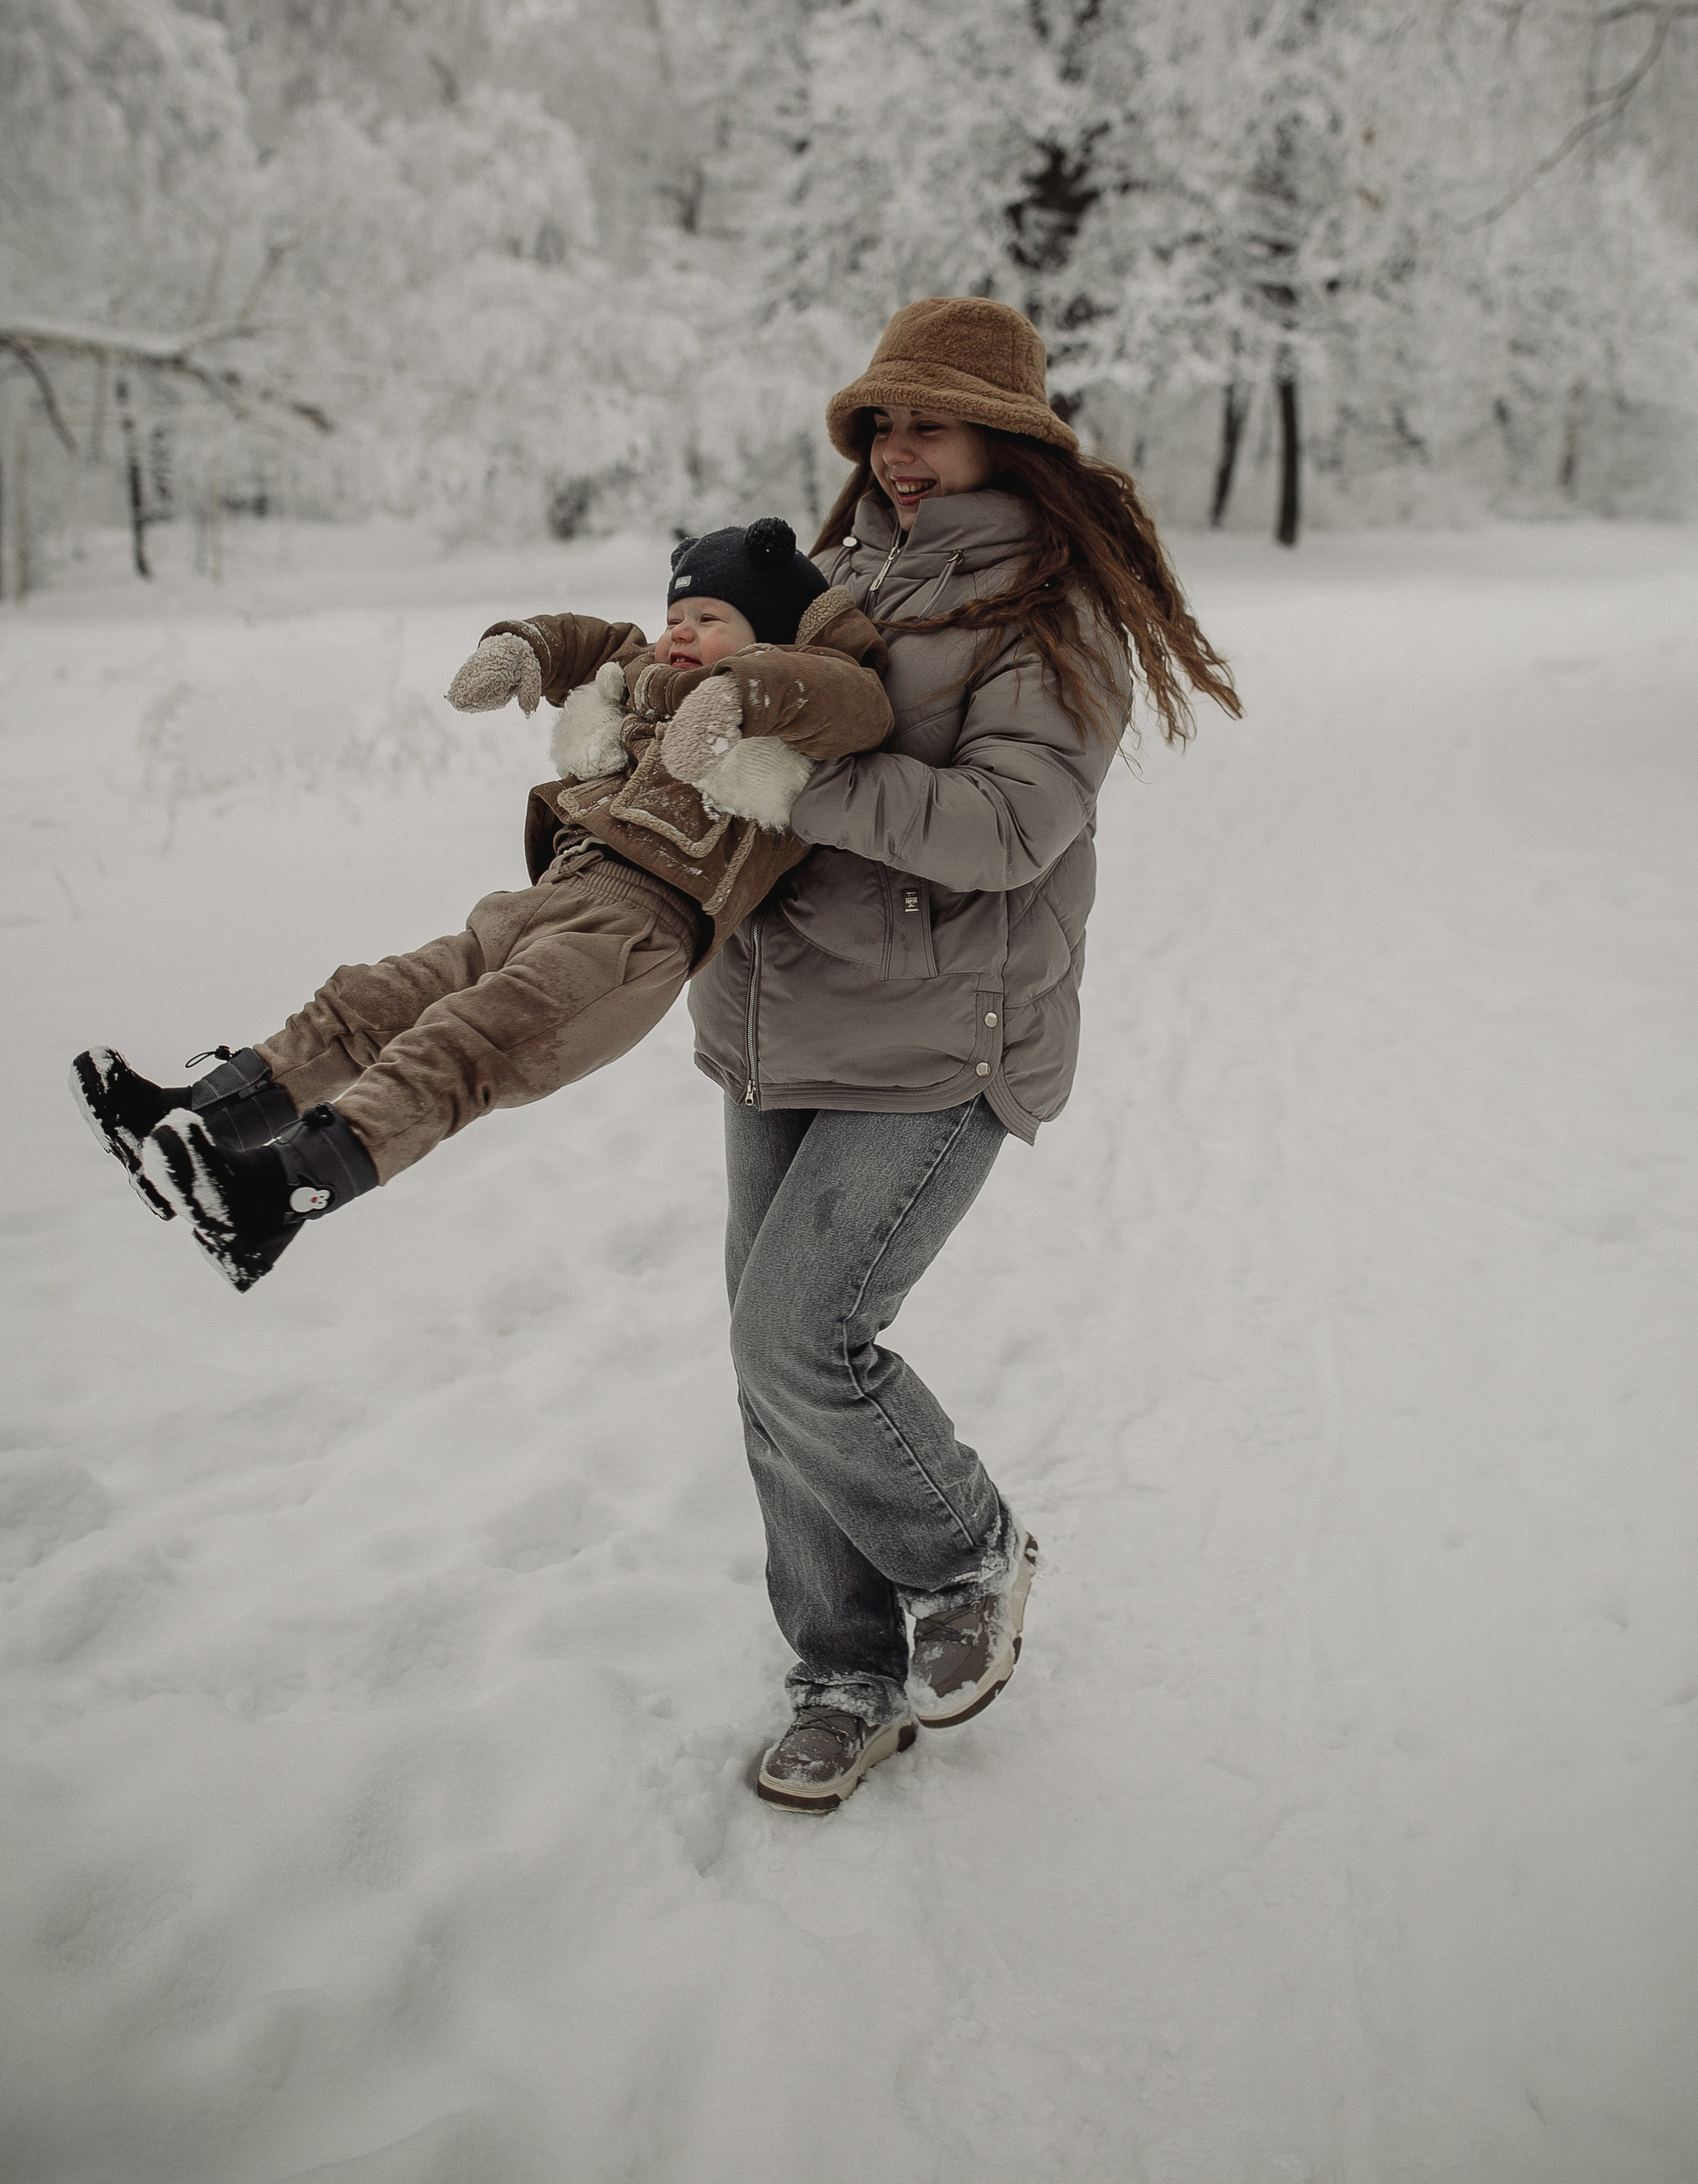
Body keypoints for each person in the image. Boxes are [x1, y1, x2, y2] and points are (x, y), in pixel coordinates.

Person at [690, 298, 1243, 1812]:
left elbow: (1007, 828)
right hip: (780, 1018)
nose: (896, 451)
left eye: (925, 421)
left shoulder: (1048, 610)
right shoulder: (838, 578)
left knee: (797, 1341)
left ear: (1004, 434)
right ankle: (842, 1671)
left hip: (943, 1038)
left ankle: (965, 1550)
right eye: (878, 423)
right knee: (767, 1367)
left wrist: (783, 782)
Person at [71, 519, 892, 1293]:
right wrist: (521, 647)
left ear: (771, 630)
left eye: (709, 616)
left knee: (466, 1043)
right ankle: (199, 1124)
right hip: (542, 901)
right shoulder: (648, 676)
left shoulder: (798, 704)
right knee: (369, 997)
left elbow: (845, 697)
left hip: (633, 937)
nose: (680, 632)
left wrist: (738, 694)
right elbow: (587, 641)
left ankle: (282, 1192)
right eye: (675, 613)